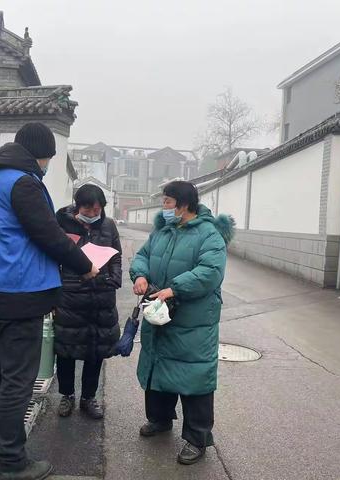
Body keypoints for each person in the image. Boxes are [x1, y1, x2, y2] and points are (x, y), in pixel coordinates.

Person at [0, 122, 99, 480]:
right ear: (40, 153)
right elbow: (48, 234)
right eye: (48, 159)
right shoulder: (23, 182)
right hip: (19, 293)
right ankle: (12, 462)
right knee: (17, 380)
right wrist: (85, 265)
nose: (47, 165)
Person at [129, 181, 234, 466]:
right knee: (158, 367)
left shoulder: (208, 234)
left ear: (183, 204)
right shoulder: (162, 231)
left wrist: (175, 289)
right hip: (160, 313)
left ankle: (197, 438)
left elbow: (211, 271)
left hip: (192, 321)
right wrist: (139, 275)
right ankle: (160, 420)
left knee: (194, 377)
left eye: (166, 202)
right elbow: (142, 256)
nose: (163, 207)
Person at [54, 184, 122, 419]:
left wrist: (115, 278)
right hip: (70, 296)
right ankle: (67, 395)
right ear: (77, 205)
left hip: (101, 297)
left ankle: (88, 398)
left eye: (97, 209)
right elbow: (54, 257)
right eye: (88, 209)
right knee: (66, 349)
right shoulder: (62, 224)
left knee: (96, 351)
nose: (93, 214)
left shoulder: (109, 225)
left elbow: (116, 256)